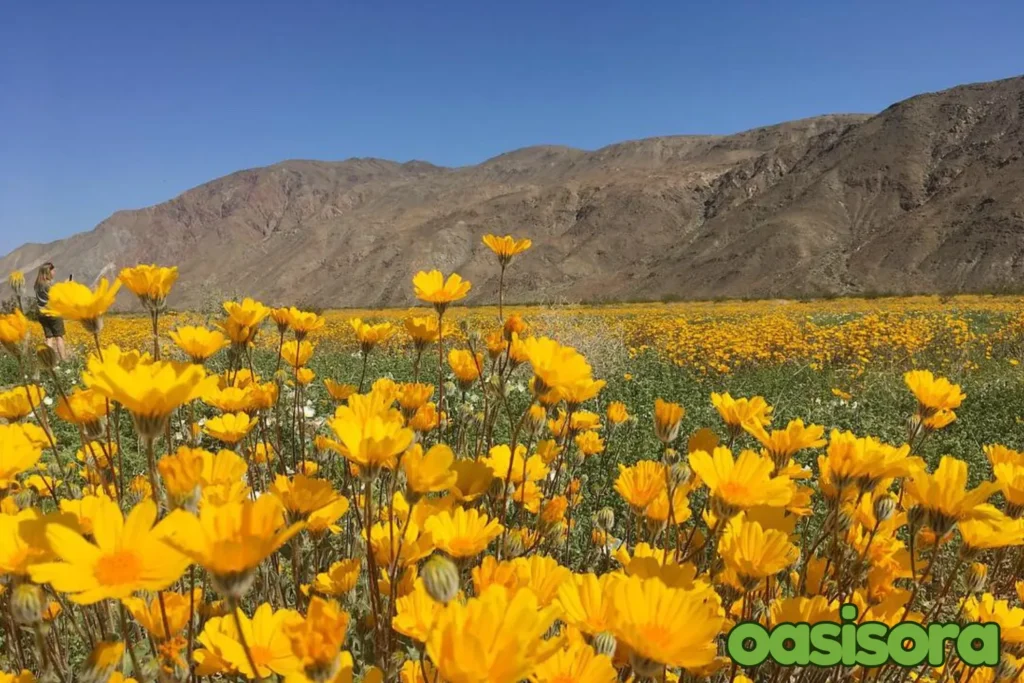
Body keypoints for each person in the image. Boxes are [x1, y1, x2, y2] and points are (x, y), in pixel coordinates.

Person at [35, 262, 67, 361]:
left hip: (42, 314)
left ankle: (49, 360)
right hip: (53, 313)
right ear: (48, 272)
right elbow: (57, 297)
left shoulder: (37, 285)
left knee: (49, 338)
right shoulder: (48, 285)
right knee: (59, 337)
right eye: (53, 270)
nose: (54, 271)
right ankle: (64, 360)